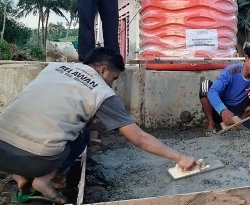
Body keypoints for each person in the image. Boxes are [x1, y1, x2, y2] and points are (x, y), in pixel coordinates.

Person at [0, 48, 197, 204]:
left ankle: (21, 179)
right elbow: (139, 138)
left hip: (2, 151)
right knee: (82, 134)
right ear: (103, 70)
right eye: (114, 78)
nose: (112, 84)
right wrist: (180, 157)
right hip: (39, 159)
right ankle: (44, 179)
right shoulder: (101, 91)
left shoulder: (53, 68)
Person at [199, 43, 250, 135]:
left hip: (237, 111)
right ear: (246, 58)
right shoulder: (230, 71)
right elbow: (213, 92)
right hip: (219, 109)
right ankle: (211, 123)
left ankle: (238, 123)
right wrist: (223, 110)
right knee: (205, 85)